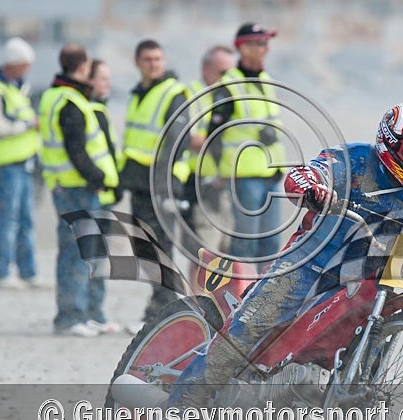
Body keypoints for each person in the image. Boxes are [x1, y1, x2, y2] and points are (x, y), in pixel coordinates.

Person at [167, 101, 403, 420]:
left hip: (370, 278)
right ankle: (179, 410)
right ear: (389, 145)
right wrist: (312, 189)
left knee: (377, 336)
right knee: (249, 329)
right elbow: (302, 175)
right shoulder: (352, 160)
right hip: (310, 264)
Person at [39, 43, 122, 337]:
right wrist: (98, 177)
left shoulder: (54, 96)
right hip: (77, 187)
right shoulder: (71, 102)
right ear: (84, 66)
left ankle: (83, 313)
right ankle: (71, 316)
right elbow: (77, 149)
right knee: (77, 253)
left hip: (66, 186)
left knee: (79, 251)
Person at [119, 39, 191, 322]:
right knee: (145, 245)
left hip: (160, 182)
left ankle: (164, 305)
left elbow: (176, 139)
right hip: (139, 181)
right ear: (137, 62)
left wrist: (162, 180)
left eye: (158, 59)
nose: (154, 64)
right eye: (148, 59)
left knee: (160, 244)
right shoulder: (140, 93)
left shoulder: (173, 93)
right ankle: (159, 303)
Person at [206, 23, 286, 268]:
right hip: (244, 177)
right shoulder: (229, 84)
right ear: (242, 47)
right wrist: (220, 172)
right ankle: (237, 298)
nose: (265, 48)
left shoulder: (266, 80)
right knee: (245, 245)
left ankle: (264, 298)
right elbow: (214, 134)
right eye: (259, 43)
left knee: (271, 245)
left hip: (272, 174)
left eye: (266, 42)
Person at [0, 37, 41, 289]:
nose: (27, 69)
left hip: (23, 163)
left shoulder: (16, 88)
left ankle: (28, 271)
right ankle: (1, 272)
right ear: (13, 64)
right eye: (24, 65)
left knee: (25, 219)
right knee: (7, 219)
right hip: (4, 163)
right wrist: (26, 126)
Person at [181, 45, 235, 273]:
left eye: (230, 73)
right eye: (222, 72)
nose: (227, 78)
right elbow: (191, 138)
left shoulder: (229, 95)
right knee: (204, 248)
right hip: (200, 180)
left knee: (226, 246)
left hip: (226, 181)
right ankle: (198, 302)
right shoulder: (191, 93)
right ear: (205, 69)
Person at [88, 59, 122, 204]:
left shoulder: (100, 108)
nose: (107, 84)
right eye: (102, 79)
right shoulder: (91, 110)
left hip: (104, 186)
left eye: (108, 79)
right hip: (97, 188)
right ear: (89, 80)